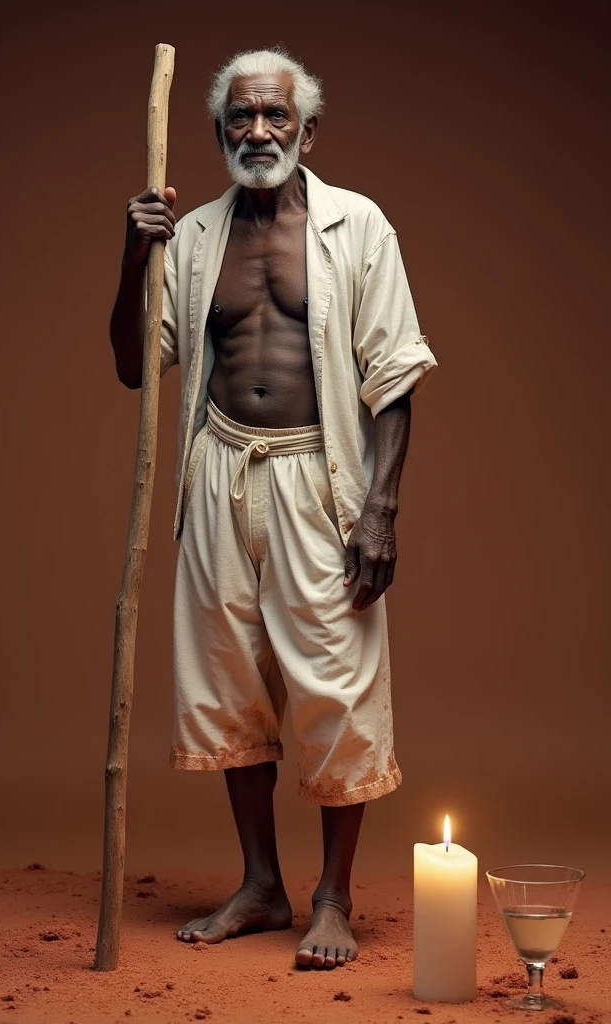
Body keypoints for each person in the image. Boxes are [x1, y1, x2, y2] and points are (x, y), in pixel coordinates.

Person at [109, 46, 438, 970]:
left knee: (337, 685)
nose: (258, 132)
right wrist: (136, 253)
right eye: (240, 119)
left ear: (307, 129)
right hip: (216, 473)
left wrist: (381, 509)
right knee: (229, 683)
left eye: (275, 117)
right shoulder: (196, 236)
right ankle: (261, 883)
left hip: (317, 481)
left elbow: (396, 375)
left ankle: (333, 896)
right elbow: (138, 366)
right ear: (220, 132)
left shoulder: (357, 225)